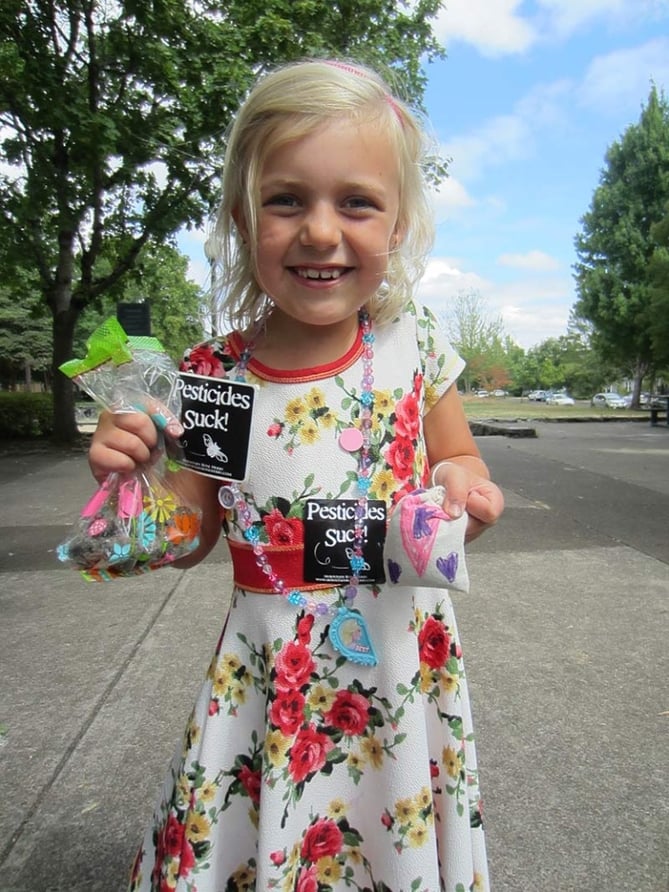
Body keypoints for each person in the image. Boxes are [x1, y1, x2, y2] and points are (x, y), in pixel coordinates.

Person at [89, 58, 504, 892]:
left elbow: (459, 458)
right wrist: (130, 484)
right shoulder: (217, 376)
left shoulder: (412, 345)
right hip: (270, 665)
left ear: (398, 223)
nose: (320, 231)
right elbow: (188, 535)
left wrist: (463, 491)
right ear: (244, 218)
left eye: (355, 202)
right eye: (287, 200)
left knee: (387, 832)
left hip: (395, 660)